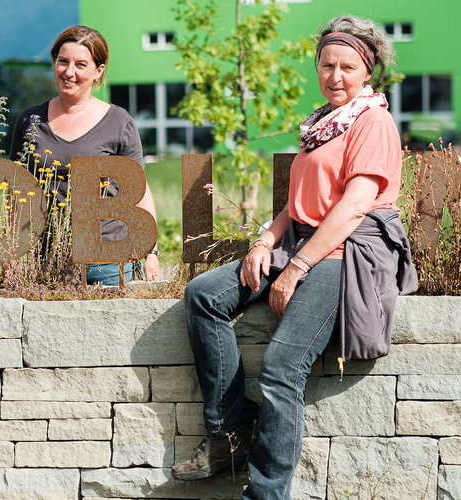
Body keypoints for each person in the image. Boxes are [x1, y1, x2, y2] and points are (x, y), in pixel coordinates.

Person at [171, 15, 417, 499]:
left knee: (282, 366)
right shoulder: (322, 123)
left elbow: (353, 207)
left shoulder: (373, 122)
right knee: (203, 295)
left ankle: (266, 494)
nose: (335, 76)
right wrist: (264, 242)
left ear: (368, 71)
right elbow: (297, 202)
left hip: (345, 252)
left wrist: (298, 268)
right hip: (299, 241)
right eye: (327, 65)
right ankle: (230, 431)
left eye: (348, 67)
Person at [9, 25, 162, 285]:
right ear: (54, 64)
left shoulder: (118, 121)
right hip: (50, 258)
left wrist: (152, 253)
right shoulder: (30, 120)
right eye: (63, 62)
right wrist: (11, 251)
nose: (69, 72)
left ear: (98, 71)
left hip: (111, 261)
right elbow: (17, 190)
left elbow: (139, 190)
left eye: (81, 64)